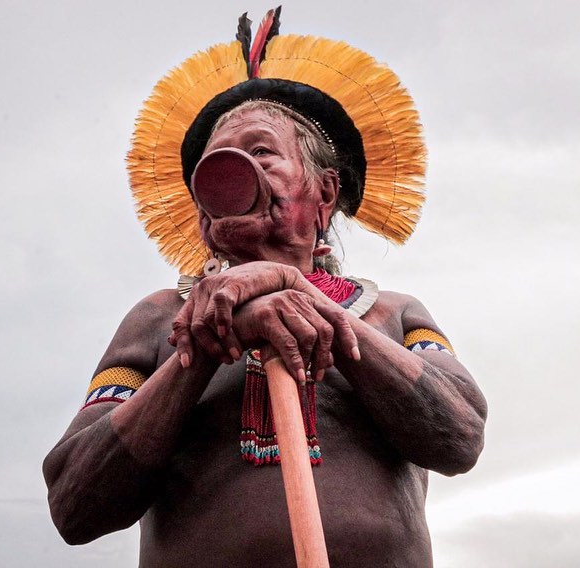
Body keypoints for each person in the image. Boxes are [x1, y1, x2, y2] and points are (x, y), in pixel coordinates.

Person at [43, 9, 486, 567]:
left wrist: (303, 297)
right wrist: (205, 345)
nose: (233, 169)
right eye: (214, 165)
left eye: (261, 152)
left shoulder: (394, 316)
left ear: (324, 193)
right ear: (205, 215)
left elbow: (459, 437)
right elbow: (75, 503)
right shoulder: (159, 321)